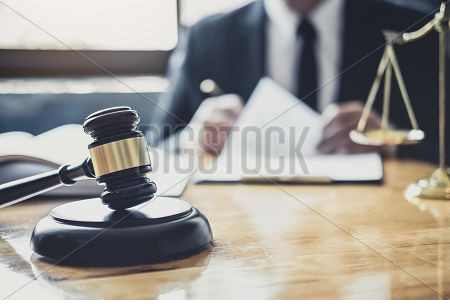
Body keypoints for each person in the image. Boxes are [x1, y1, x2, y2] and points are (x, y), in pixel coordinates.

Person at [154, 0, 447, 164]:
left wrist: (393, 142)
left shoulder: (416, 31)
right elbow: (157, 147)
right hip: (247, 233)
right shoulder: (207, 37)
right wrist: (192, 137)